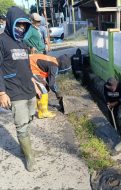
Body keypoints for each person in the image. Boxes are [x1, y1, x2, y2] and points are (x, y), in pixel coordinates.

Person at [0, 6, 41, 172]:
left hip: (29, 89)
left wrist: (35, 84)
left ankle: (25, 147)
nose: (21, 29)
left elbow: (27, 67)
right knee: (21, 125)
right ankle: (29, 157)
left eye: (24, 26)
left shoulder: (22, 43)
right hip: (14, 91)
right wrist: (2, 92)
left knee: (30, 118)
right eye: (19, 25)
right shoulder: (2, 41)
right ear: (11, 23)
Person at [29, 54, 69, 118]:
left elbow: (49, 80)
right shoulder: (54, 66)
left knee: (44, 88)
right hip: (30, 68)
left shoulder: (53, 60)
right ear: (63, 65)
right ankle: (43, 112)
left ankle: (37, 107)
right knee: (43, 91)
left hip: (29, 65)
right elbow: (52, 83)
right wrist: (57, 92)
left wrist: (48, 86)